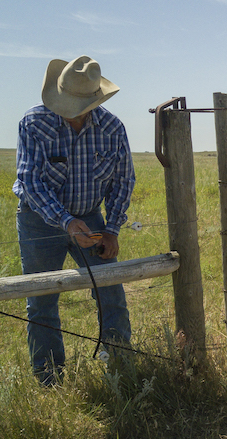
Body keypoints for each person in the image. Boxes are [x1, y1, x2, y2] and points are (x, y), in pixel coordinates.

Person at [12, 55, 136, 386]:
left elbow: (123, 181)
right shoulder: (33, 124)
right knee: (41, 299)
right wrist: (66, 222)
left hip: (91, 216)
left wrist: (111, 230)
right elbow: (30, 182)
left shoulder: (112, 129)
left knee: (110, 289)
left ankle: (120, 363)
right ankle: (49, 378)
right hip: (40, 220)